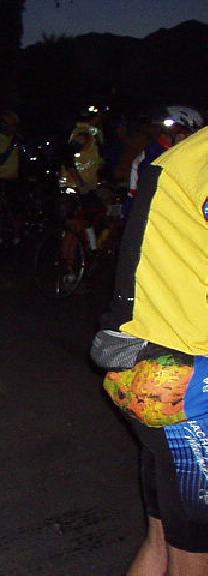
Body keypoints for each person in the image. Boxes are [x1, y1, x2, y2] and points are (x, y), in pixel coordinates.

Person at [91, 125, 208, 574]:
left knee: (161, 539)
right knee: (194, 556)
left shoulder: (184, 156)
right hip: (185, 383)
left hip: (139, 363)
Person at [0, 110, 23, 245]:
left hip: (13, 179)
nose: (14, 127)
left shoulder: (15, 138)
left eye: (15, 125)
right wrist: (11, 146)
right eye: (11, 124)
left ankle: (16, 237)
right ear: (4, 124)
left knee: (17, 209)